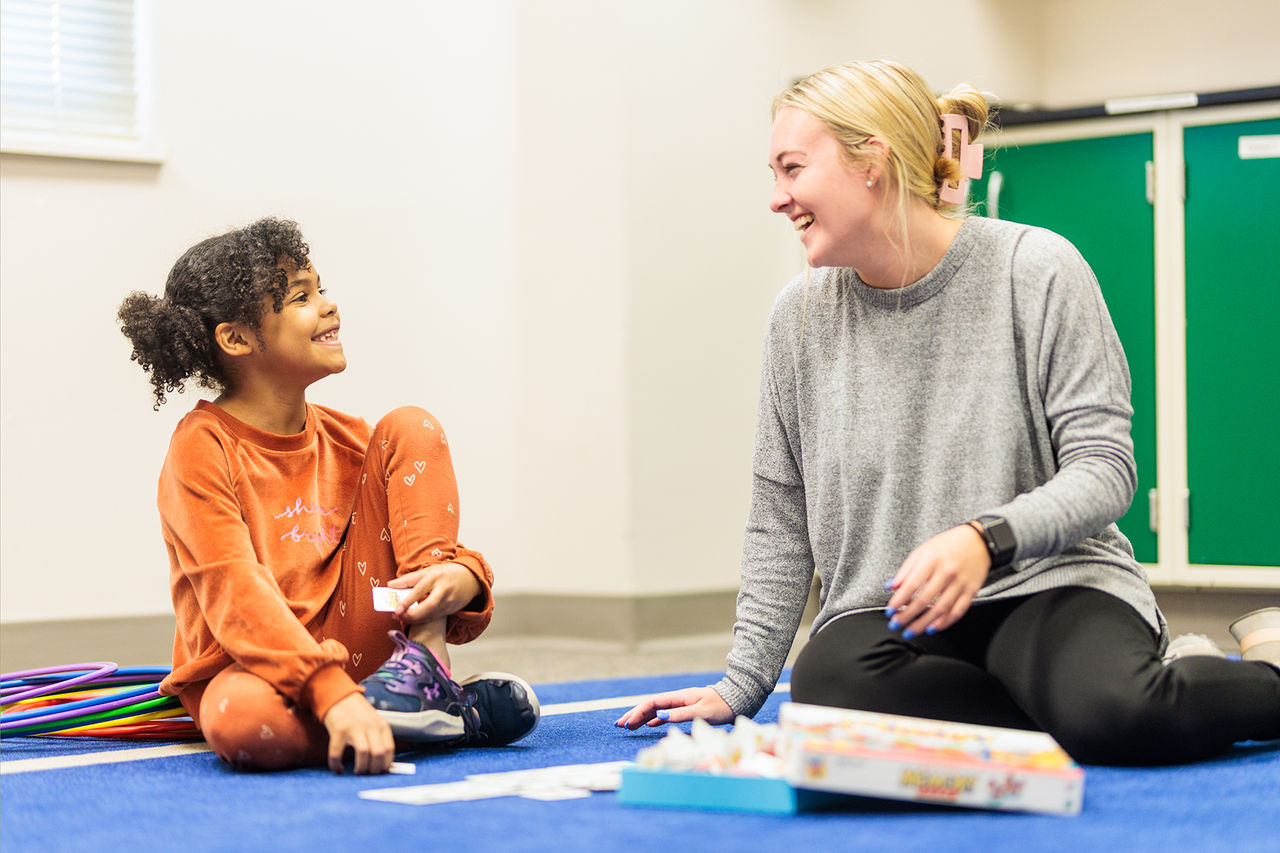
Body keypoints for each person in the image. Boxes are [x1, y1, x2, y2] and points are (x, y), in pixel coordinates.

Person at [616, 60, 1280, 765]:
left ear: (871, 161)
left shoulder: (1038, 268)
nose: (777, 198)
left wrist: (983, 539)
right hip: (891, 616)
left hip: (1047, 584)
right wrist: (742, 683)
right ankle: (1075, 700)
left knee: (1120, 715)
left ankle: (1249, 671)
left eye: (792, 168)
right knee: (827, 691)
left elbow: (1106, 470)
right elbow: (780, 513)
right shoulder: (797, 319)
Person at [118, 218, 539, 774]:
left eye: (321, 288)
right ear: (237, 338)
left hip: (363, 650)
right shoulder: (201, 448)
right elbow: (235, 593)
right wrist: (329, 691)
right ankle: (433, 719)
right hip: (251, 668)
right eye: (301, 297)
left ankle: (424, 672)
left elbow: (425, 546)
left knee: (412, 424)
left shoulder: (354, 440)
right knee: (244, 725)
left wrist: (466, 577)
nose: (328, 305)